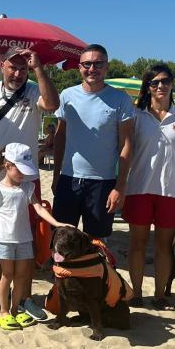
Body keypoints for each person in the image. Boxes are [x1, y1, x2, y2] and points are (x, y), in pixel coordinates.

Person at [0, 45, 60, 317]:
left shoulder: (34, 90)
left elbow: (53, 104)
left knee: (29, 237)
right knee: (1, 236)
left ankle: (26, 296)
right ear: (1, 65)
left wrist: (38, 68)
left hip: (26, 177)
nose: (18, 73)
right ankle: (7, 287)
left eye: (23, 68)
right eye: (13, 67)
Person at [123, 65, 175, 308]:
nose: (160, 86)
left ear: (171, 84)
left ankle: (159, 295)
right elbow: (125, 151)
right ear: (147, 87)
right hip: (138, 188)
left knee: (164, 246)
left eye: (165, 81)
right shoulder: (135, 116)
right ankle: (136, 293)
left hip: (171, 190)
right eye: (154, 82)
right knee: (137, 244)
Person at [0, 143, 70, 331]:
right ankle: (4, 311)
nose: (23, 175)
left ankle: (15, 309)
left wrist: (56, 223)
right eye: (19, 170)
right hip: (4, 239)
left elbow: (39, 208)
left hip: (24, 239)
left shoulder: (28, 187)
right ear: (8, 166)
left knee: (22, 276)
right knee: (7, 275)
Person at [52, 44, 134, 239]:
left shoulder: (120, 98)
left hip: (103, 182)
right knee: (61, 239)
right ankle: (60, 271)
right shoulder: (67, 95)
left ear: (106, 66)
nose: (92, 69)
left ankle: (95, 271)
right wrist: (56, 174)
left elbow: (126, 144)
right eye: (87, 64)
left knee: (97, 242)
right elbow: (59, 136)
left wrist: (120, 186)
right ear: (79, 67)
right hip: (69, 179)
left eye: (98, 64)